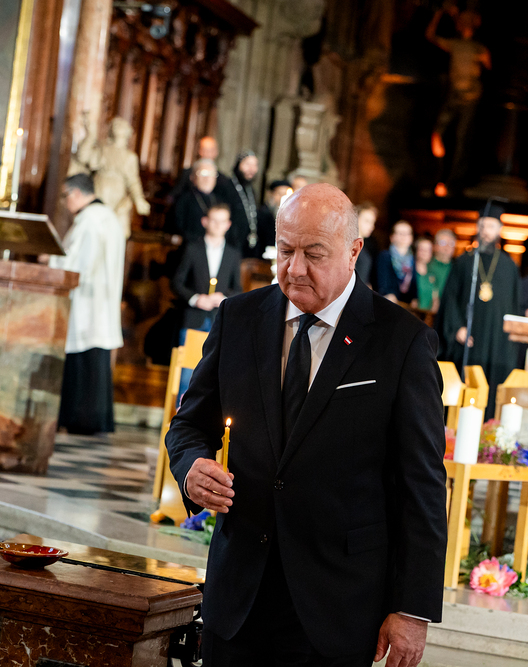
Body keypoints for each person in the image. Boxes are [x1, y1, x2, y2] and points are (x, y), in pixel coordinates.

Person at [165, 183, 446, 666]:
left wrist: (411, 609)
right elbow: (189, 426)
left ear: (353, 251)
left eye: (313, 254)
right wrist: (191, 467)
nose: (295, 269)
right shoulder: (239, 318)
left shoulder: (401, 342)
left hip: (337, 605)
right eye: (285, 251)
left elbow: (422, 484)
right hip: (238, 598)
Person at [49, 174, 124, 435]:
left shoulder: (89, 220)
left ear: (77, 194)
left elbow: (75, 266)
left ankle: (81, 420)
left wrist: (50, 261)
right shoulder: (109, 217)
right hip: (102, 302)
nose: (65, 202)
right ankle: (94, 419)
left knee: (83, 362)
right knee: (94, 363)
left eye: (65, 196)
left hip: (87, 303)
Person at [435, 202, 522, 419]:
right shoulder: (464, 262)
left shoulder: (509, 266)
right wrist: (456, 328)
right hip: (468, 339)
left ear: (499, 230)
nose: (485, 232)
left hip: (496, 344)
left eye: (490, 227)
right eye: (482, 226)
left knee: (491, 392)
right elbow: (450, 299)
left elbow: (515, 306)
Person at [426, 5, 490, 191]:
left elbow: (488, 66)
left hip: (470, 96)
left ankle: (452, 181)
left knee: (461, 137)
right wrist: (439, 13)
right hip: (454, 94)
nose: (464, 26)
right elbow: (430, 36)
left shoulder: (478, 48)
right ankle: (438, 176)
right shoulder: (455, 44)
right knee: (439, 131)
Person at [172, 203, 242, 340]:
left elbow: (238, 289)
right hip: (193, 318)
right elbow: (176, 282)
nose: (218, 225)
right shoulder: (191, 249)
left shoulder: (233, 254)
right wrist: (195, 299)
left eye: (222, 221)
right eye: (214, 220)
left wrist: (223, 298)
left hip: (220, 321)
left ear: (228, 225)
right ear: (205, 221)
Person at [165, 158, 219, 243]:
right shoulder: (184, 200)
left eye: (211, 174)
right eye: (203, 173)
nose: (207, 178)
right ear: (192, 177)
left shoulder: (220, 201)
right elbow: (176, 227)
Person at [217, 150, 261, 255]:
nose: (251, 169)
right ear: (238, 165)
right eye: (247, 164)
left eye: (255, 165)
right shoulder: (226, 186)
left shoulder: (251, 190)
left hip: (247, 244)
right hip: (230, 243)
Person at [375, 220, 417, 304]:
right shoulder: (384, 256)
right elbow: (382, 282)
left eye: (407, 233)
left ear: (411, 238)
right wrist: (387, 293)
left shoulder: (414, 259)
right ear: (392, 237)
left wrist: (415, 298)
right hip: (388, 302)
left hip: (407, 305)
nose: (403, 237)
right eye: (400, 233)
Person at [255, 179, 292, 257]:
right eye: (279, 194)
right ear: (271, 194)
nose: (282, 198)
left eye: (285, 195)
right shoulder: (261, 214)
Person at [429, 229, 457, 308]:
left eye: (451, 243)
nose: (447, 247)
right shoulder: (426, 265)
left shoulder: (457, 268)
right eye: (443, 243)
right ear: (435, 245)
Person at [354, 202, 378, 287]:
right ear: (355, 219)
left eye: (373, 222)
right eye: (367, 221)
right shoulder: (348, 245)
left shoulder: (367, 246)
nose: (371, 226)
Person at [415, 236, 440, 312]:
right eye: (422, 249)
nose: (424, 253)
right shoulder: (410, 273)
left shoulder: (432, 275)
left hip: (426, 316)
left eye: (428, 250)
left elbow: (435, 299)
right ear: (416, 251)